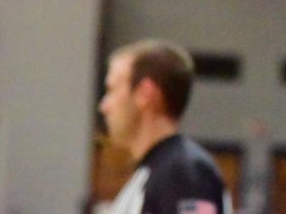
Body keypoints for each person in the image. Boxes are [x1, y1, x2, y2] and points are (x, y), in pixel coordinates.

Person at [98, 38, 232, 214]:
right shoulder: (153, 173)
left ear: (145, 94)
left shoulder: (184, 173)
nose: (104, 106)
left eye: (112, 90)